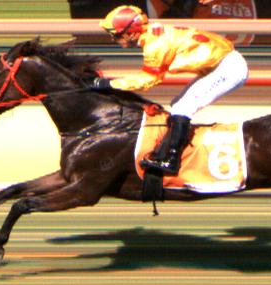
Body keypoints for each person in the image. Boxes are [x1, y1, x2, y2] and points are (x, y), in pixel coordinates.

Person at [99, 6, 245, 184]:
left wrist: (110, 84)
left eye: (117, 35)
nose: (114, 39)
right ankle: (173, 148)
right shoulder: (153, 35)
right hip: (220, 64)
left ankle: (171, 160)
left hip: (228, 69)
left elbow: (147, 81)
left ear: (132, 32)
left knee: (183, 107)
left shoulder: (155, 45)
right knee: (177, 104)